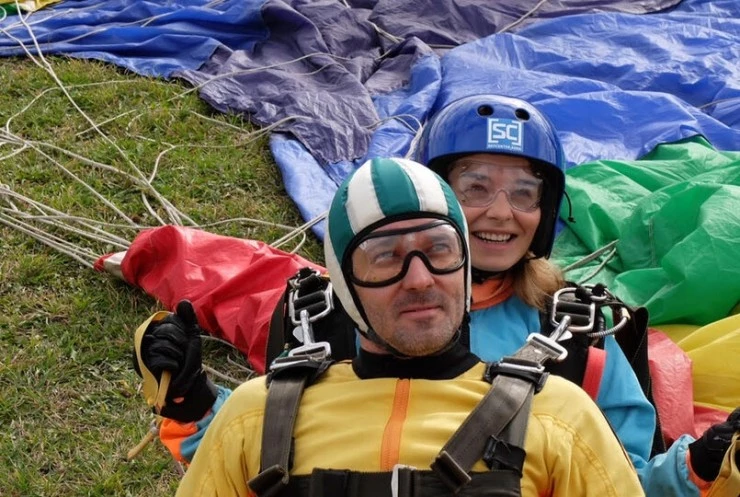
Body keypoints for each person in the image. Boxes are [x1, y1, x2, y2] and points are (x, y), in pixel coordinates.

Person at [133, 96, 740, 496]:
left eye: (524, 193)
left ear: (547, 209)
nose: (500, 212)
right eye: (476, 187)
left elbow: (621, 483)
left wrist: (701, 465)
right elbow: (269, 448)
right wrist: (194, 405)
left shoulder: (583, 341)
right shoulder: (328, 317)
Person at [160, 156, 644, 496]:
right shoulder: (257, 416)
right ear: (345, 283)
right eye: (385, 257)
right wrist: (195, 402)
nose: (419, 279)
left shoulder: (563, 417)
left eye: (439, 250)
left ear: (464, 264)